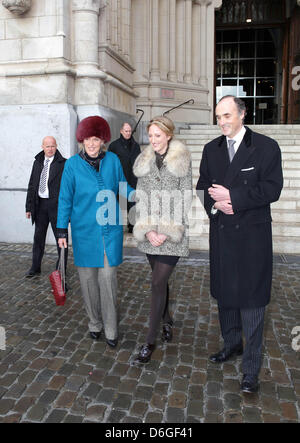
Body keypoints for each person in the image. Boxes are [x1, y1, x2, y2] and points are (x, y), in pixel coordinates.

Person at [196, 95, 283, 393]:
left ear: (243, 114)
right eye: (218, 116)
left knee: (253, 303)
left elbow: (273, 188)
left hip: (253, 238)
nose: (222, 122)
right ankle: (231, 344)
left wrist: (235, 200)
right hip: (222, 235)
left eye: (227, 116)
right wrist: (217, 206)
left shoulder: (266, 147)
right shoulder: (211, 149)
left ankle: (251, 369)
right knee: (226, 297)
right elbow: (202, 188)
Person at [56, 116, 134, 348]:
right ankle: (94, 323)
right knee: (88, 281)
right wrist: (62, 231)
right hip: (84, 232)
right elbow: (65, 199)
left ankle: (111, 329)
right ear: (82, 140)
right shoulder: (71, 165)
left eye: (96, 139)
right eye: (88, 139)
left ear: (103, 140)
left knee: (108, 279)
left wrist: (137, 195)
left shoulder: (113, 160)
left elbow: (122, 185)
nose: (92, 144)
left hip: (110, 230)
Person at [132, 116, 193, 363]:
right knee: (161, 281)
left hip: (172, 233)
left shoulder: (182, 160)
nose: (154, 140)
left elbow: (185, 198)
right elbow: (141, 197)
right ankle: (168, 321)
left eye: (158, 135)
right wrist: (147, 230)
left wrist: (164, 231)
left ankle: (149, 341)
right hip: (149, 234)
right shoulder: (144, 161)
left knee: (157, 283)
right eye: (151, 135)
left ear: (168, 135)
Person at [25, 136, 67, 278]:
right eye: (47, 146)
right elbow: (32, 185)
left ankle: (60, 271)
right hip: (40, 205)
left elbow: (68, 188)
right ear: (42, 146)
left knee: (61, 240)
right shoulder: (37, 162)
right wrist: (29, 207)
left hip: (57, 207)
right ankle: (35, 267)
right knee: (38, 238)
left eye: (53, 146)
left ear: (56, 146)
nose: (50, 149)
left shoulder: (63, 163)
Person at [108, 122, 141, 233]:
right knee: (117, 202)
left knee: (132, 202)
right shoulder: (114, 146)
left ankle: (132, 226)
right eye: (126, 131)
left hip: (132, 178)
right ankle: (115, 225)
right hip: (119, 178)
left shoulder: (136, 145)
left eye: (129, 131)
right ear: (121, 131)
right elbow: (110, 163)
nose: (128, 133)